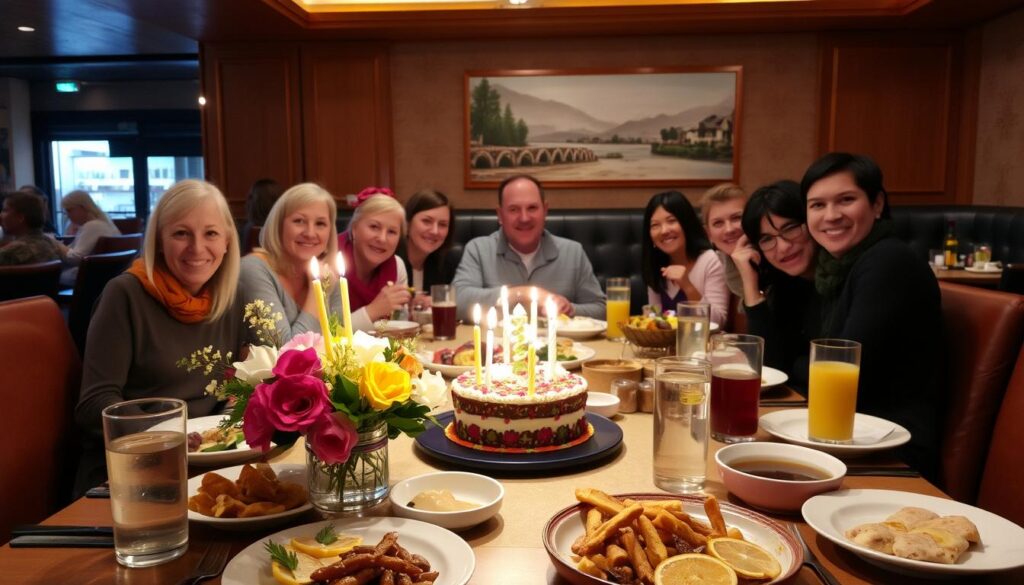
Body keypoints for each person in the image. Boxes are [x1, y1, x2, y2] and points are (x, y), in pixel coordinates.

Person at [75, 179, 246, 492]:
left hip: (209, 466)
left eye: (210, 233)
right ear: (158, 240)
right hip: (130, 474)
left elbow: (241, 384)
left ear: (227, 242)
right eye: (181, 233)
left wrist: (227, 427)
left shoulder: (231, 298)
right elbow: (94, 403)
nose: (197, 248)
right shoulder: (124, 294)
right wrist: (167, 436)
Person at [802, 152, 943, 479]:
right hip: (845, 434)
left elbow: (847, 368)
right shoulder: (836, 269)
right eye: (817, 205)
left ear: (877, 204)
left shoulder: (888, 263)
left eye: (846, 200)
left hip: (892, 449)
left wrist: (802, 364)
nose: (831, 215)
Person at [452, 174, 605, 320]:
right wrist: (522, 293)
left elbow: (602, 310)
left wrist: (570, 309)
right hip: (498, 345)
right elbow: (457, 301)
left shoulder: (573, 252)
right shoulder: (478, 249)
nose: (524, 218)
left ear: (545, 211)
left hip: (559, 346)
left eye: (532, 208)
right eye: (514, 209)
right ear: (500, 215)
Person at [731, 180, 819, 392]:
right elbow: (771, 369)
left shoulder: (841, 280)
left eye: (790, 229)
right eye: (767, 239)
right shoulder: (786, 286)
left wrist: (795, 364)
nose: (783, 247)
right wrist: (750, 284)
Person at [238, 182, 342, 342]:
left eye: (320, 223)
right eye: (299, 221)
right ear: (278, 226)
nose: (310, 233)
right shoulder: (253, 269)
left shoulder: (329, 274)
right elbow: (287, 351)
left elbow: (342, 342)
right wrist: (318, 292)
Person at [642, 191, 729, 325]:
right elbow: (654, 321)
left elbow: (717, 322)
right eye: (655, 225)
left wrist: (687, 286)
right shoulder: (655, 264)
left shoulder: (711, 260)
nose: (664, 230)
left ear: (686, 224)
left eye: (671, 221)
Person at [338, 191, 412, 329]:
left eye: (392, 232)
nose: (382, 238)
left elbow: (400, 326)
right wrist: (373, 311)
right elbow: (323, 333)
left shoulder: (397, 266)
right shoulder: (330, 263)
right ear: (354, 229)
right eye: (374, 227)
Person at [397, 189, 457, 307]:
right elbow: (382, 322)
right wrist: (403, 309)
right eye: (426, 221)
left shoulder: (448, 263)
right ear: (407, 222)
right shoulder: (390, 262)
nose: (435, 231)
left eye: (442, 224)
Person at [52, 190, 121, 286]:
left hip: (89, 278)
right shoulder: (104, 223)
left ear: (82, 207)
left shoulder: (92, 226)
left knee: (46, 277)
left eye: (69, 210)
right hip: (104, 276)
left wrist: (55, 243)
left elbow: (75, 258)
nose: (67, 215)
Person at [699, 183, 747, 298]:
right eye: (718, 223)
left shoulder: (774, 261)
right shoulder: (722, 263)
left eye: (736, 218)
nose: (729, 229)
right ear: (709, 234)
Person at [0, 191, 62, 265]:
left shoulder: (14, 250)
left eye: (5, 210)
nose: (0, 215)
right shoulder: (50, 243)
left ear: (20, 218)